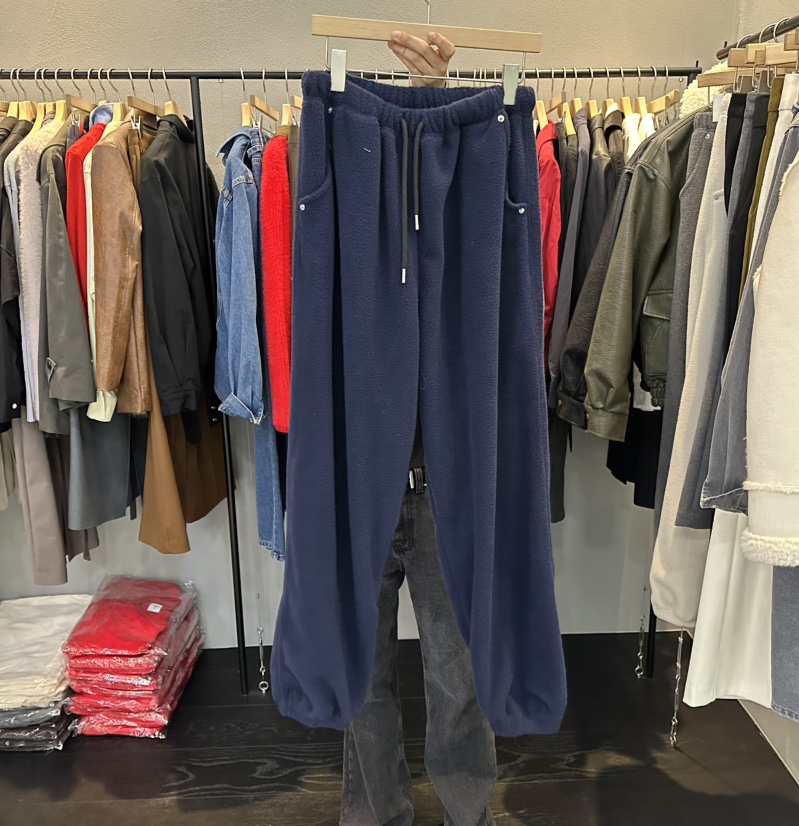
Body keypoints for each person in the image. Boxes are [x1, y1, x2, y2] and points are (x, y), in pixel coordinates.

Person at [339, 31, 498, 826]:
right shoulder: (331, 190)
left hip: (443, 487)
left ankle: (470, 814)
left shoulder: (455, 222)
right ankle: (376, 816)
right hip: (358, 481)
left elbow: (453, 202)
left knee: (458, 677)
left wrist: (435, 97)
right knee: (359, 681)